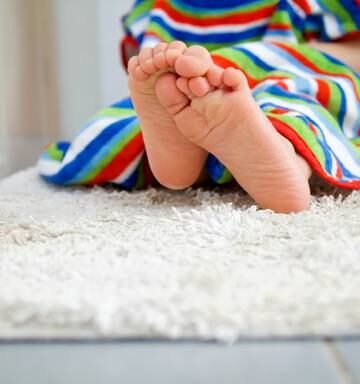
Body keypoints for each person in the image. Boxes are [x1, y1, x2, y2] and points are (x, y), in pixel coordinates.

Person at [39, 0, 360, 213]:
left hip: (279, 80)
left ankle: (273, 154)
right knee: (129, 118)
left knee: (295, 108)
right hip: (206, 102)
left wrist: (252, 59)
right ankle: (181, 146)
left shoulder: (159, 9)